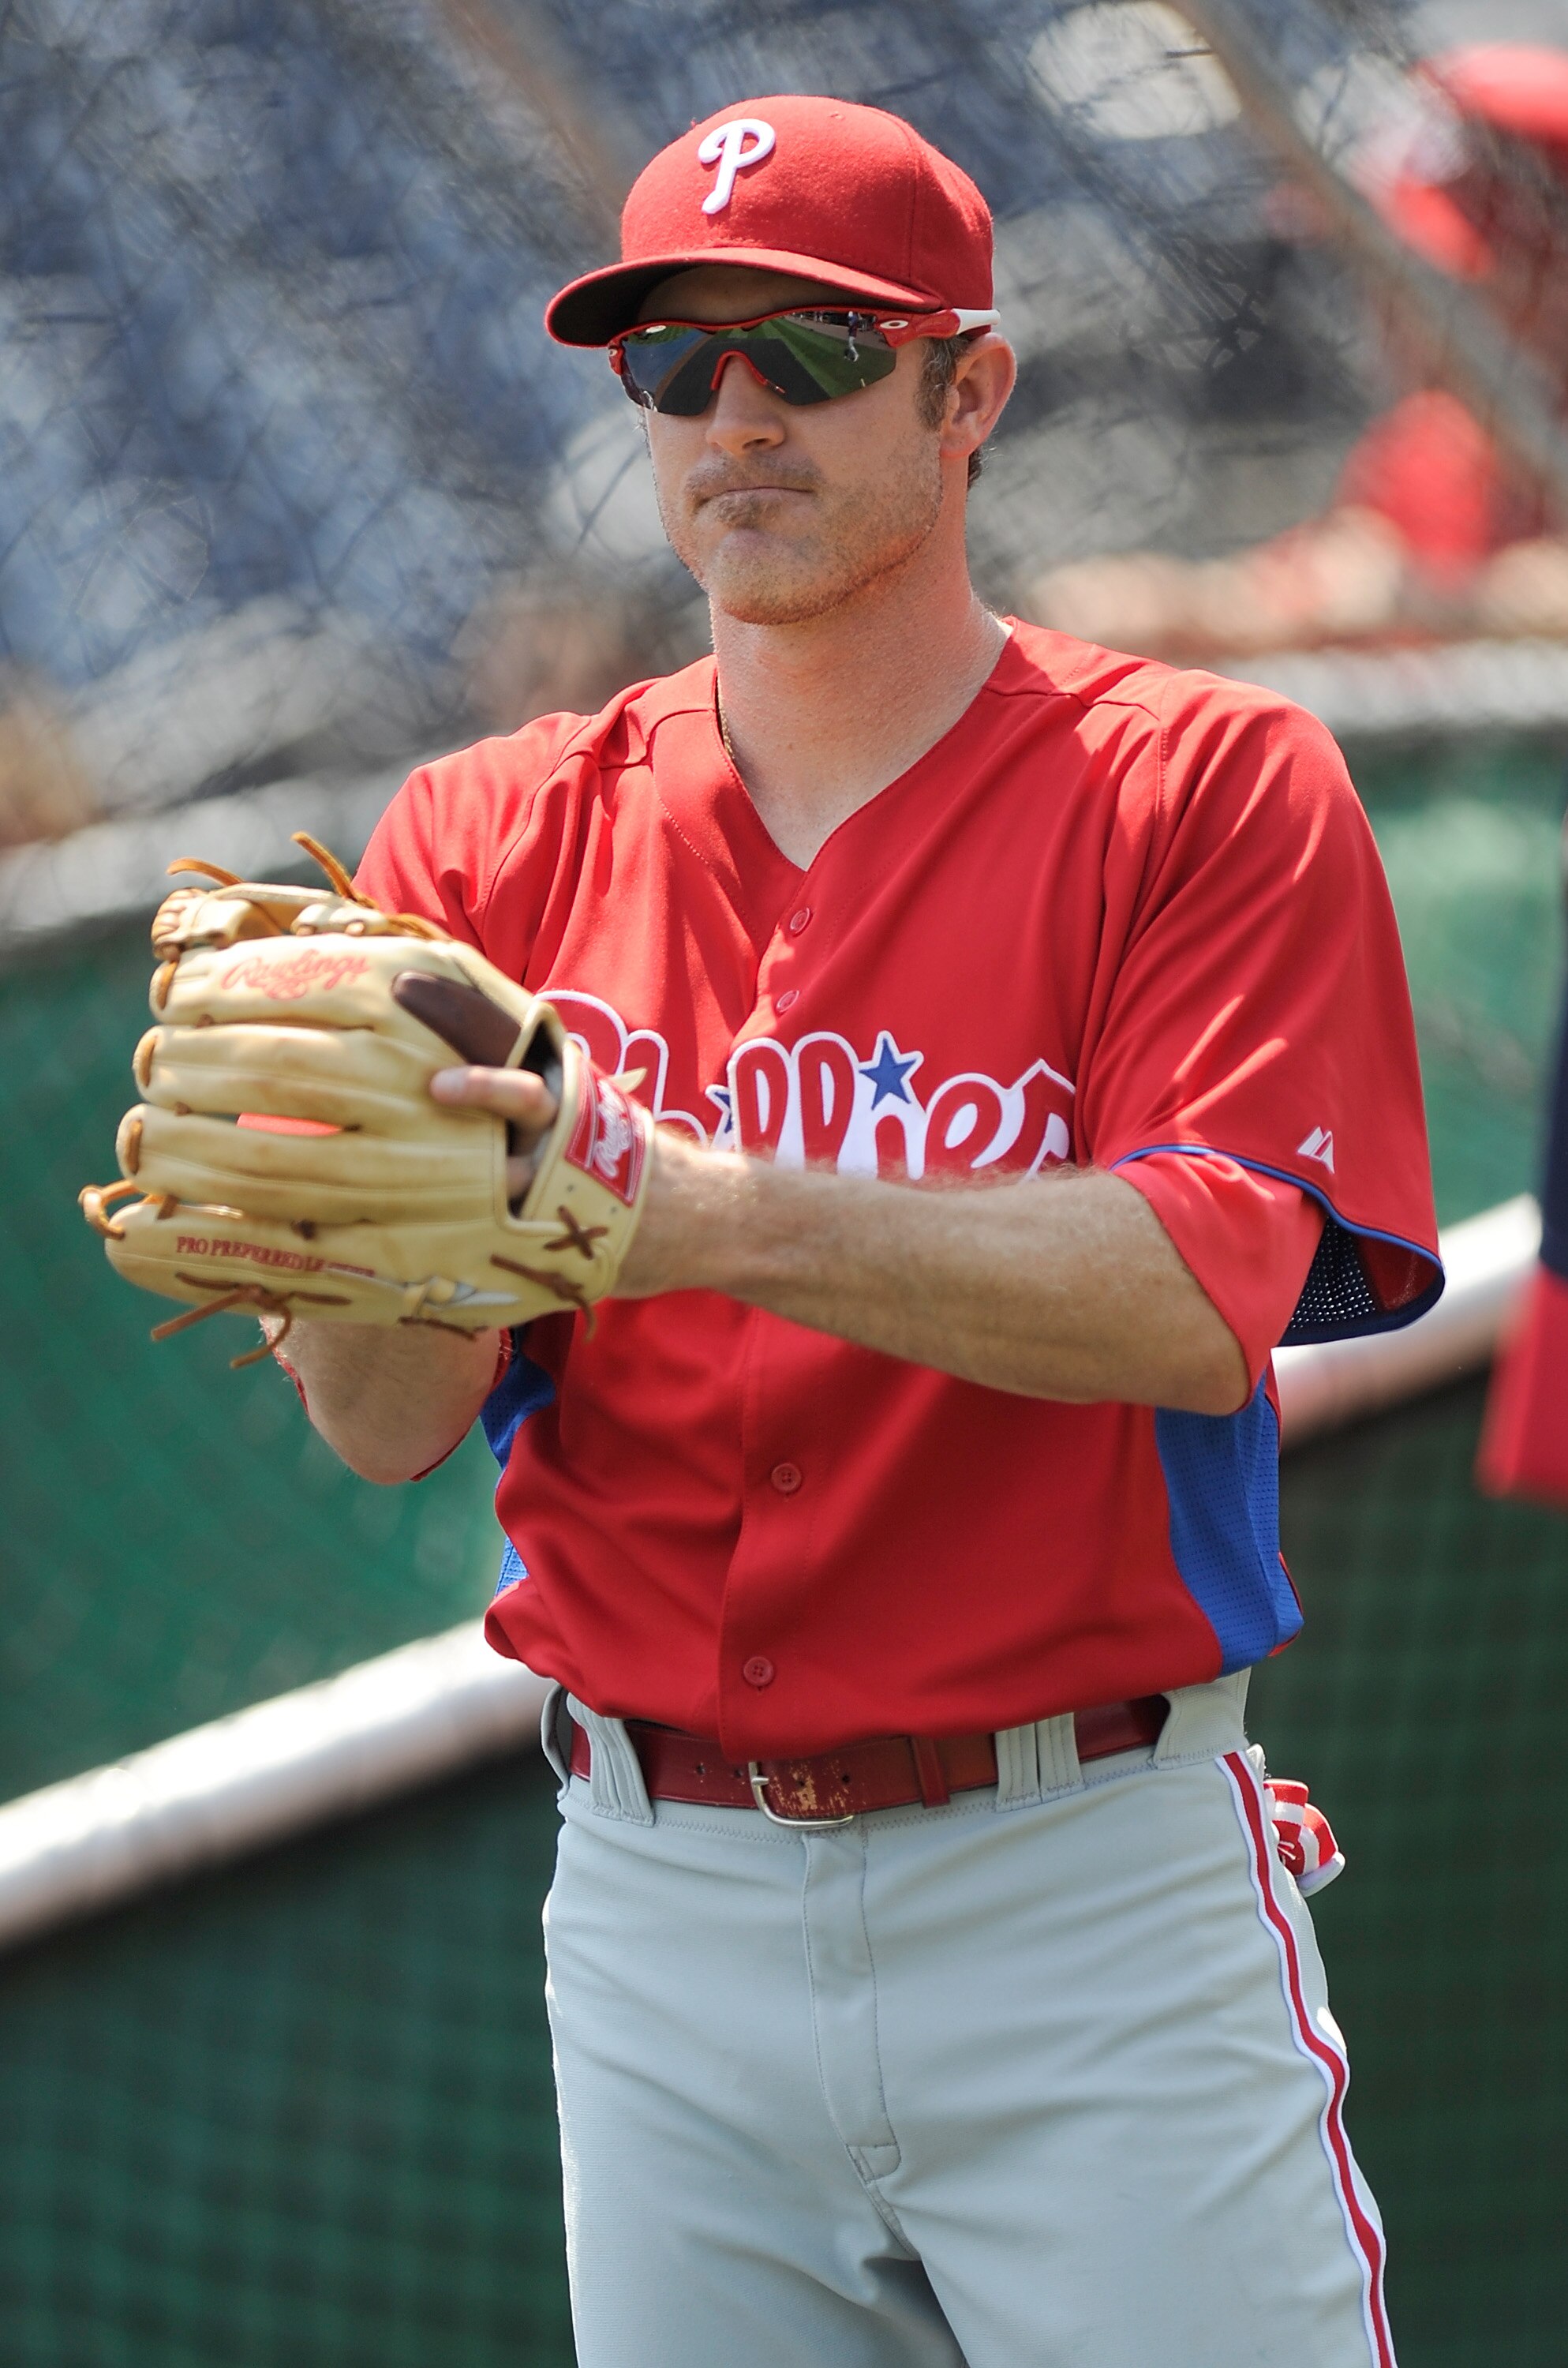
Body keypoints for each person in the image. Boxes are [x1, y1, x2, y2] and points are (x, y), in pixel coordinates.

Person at [280, 95, 1439, 2367]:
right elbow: (385, 1429)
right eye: (668, 363)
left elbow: (1194, 1296)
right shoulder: (484, 838)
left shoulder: (1196, 788)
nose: (732, 419)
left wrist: (683, 1206)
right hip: (654, 1903)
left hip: (1084, 1889)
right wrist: (333, 1232)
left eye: (808, 352)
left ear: (969, 389)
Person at [1031, 43, 1568, 660]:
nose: (1386, 311)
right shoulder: (1436, 444)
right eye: (1372, 273)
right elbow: (1328, 575)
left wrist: (1423, 604)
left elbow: (1431, 592)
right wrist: (1183, 608)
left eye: (1432, 280)